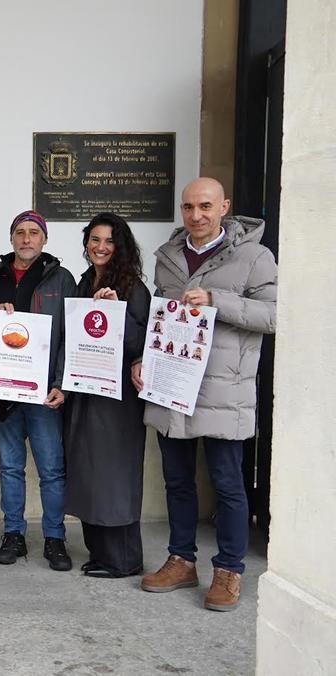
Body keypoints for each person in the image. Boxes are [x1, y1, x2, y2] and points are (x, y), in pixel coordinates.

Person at [136, 178, 277, 611]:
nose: (196, 215)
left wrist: (217, 299)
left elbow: (273, 315)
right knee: (177, 481)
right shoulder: (168, 257)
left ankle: (229, 569)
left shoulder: (255, 256)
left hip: (223, 389)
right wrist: (144, 361)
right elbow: (161, 318)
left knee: (228, 482)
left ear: (224, 207)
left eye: (205, 206)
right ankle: (181, 560)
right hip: (172, 382)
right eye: (188, 207)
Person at [0, 209, 77, 571]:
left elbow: (70, 336)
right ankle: (13, 534)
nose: (27, 238)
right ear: (11, 238)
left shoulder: (61, 279)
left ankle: (55, 538)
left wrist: (62, 383)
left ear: (44, 239)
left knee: (51, 469)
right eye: (20, 232)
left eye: (34, 232)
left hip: (44, 393)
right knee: (10, 467)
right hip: (3, 392)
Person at [62, 213, 151, 579]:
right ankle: (99, 552)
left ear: (121, 247)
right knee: (88, 474)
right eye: (94, 240)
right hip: (85, 392)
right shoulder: (85, 282)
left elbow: (140, 344)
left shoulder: (134, 288)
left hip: (117, 402)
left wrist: (116, 311)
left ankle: (124, 560)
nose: (100, 247)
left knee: (114, 476)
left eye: (108, 241)